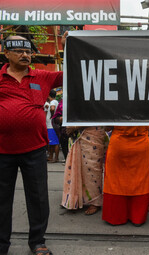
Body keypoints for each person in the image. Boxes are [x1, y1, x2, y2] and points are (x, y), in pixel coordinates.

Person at [0, 33, 67, 255]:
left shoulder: (42, 76)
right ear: (6, 53)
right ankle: (2, 244)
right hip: (2, 151)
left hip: (36, 149)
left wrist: (68, 48)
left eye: (28, 51)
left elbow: (74, 73)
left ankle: (37, 241)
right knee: (1, 201)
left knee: (38, 198)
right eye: (19, 51)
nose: (25, 55)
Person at [102, 126, 149, 226]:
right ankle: (137, 217)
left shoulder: (114, 108)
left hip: (118, 144)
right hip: (141, 143)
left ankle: (116, 216)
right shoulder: (147, 109)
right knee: (140, 179)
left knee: (115, 180)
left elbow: (107, 128)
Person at [61, 126, 108, 215]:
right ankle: (76, 198)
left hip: (93, 133)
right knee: (78, 166)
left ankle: (95, 202)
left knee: (92, 169)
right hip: (78, 134)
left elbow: (96, 115)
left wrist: (76, 126)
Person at [46, 89, 59, 162]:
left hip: (51, 125)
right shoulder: (56, 101)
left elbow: (52, 108)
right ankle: (51, 157)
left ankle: (55, 158)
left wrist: (52, 115)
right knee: (52, 142)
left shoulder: (53, 102)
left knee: (55, 142)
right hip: (51, 125)